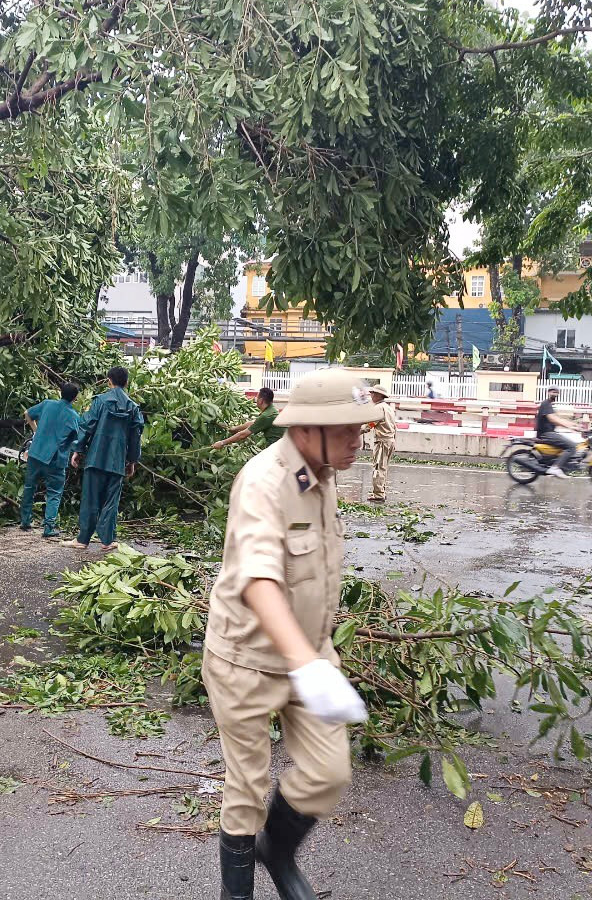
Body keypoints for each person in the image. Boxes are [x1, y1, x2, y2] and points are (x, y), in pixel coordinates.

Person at [205, 368, 376, 900]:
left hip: (309, 658)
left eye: (361, 429)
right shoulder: (264, 482)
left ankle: (276, 850)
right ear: (305, 430)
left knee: (329, 772)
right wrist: (305, 663)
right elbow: (258, 582)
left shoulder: (321, 477)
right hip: (247, 663)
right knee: (247, 792)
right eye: (347, 430)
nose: (358, 440)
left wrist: (315, 660)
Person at [67, 366, 145, 551]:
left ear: (109, 381)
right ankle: (108, 541)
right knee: (111, 502)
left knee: (90, 499)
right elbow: (135, 437)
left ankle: (83, 540)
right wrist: (132, 461)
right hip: (117, 461)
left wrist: (78, 450)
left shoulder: (100, 401)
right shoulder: (133, 408)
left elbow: (87, 427)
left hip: (96, 458)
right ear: (126, 383)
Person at [18, 382, 81, 539]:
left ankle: (25, 521)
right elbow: (79, 439)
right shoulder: (74, 417)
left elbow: (27, 413)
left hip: (36, 453)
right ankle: (48, 528)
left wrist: (36, 431)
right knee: (54, 493)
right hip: (55, 459)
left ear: (60, 392)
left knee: (29, 487)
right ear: (75, 398)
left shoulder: (47, 404)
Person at [535, 386, 585, 479]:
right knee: (571, 446)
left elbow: (559, 419)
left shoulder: (549, 405)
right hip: (546, 434)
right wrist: (570, 427)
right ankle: (555, 468)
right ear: (548, 392)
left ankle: (558, 464)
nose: (555, 394)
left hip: (550, 433)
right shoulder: (546, 404)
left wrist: (575, 425)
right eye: (553, 392)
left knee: (569, 443)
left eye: (557, 392)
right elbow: (553, 419)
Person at [213, 388, 282, 450]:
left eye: (256, 398)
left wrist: (222, 443)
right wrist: (235, 428)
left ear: (261, 400)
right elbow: (253, 422)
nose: (255, 400)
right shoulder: (272, 411)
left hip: (277, 451)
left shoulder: (266, 416)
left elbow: (243, 435)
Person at [362, 384, 396, 502]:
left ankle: (378, 494)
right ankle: (381, 490)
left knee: (378, 467)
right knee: (384, 467)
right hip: (390, 440)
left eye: (373, 393)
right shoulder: (388, 408)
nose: (371, 395)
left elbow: (369, 425)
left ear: (378, 395)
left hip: (382, 441)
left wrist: (355, 432)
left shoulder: (378, 408)